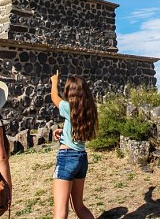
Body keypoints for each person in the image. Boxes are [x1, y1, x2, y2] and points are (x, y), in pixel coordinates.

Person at [50, 70, 98, 219]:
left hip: (66, 158)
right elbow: (75, 126)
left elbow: (54, 97)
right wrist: (63, 132)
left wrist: (54, 82)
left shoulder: (67, 107)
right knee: (79, 206)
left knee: (60, 211)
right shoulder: (88, 110)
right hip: (81, 158)